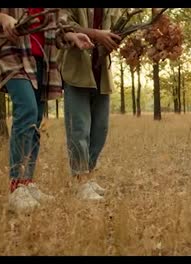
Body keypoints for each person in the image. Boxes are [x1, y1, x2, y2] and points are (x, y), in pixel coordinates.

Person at [0, 8, 94, 212]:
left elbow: (58, 25)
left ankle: (27, 182)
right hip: (12, 51)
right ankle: (16, 186)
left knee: (36, 119)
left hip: (43, 57)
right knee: (27, 110)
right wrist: (3, 18)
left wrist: (72, 35)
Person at [59, 8, 122, 200]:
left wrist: (114, 40)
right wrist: (95, 34)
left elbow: (117, 28)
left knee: (100, 129)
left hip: (101, 72)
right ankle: (80, 181)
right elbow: (63, 26)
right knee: (79, 128)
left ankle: (89, 175)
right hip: (76, 70)